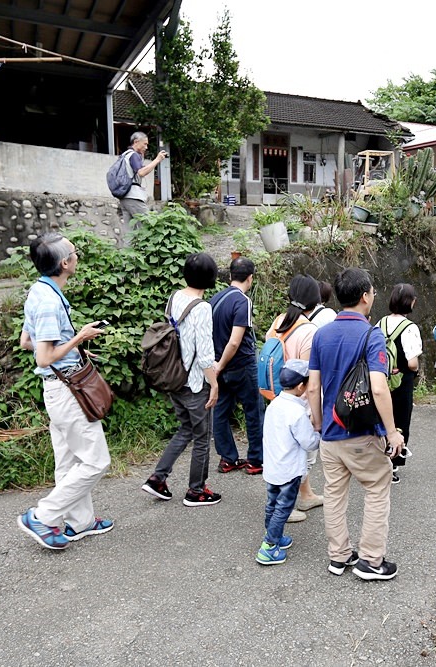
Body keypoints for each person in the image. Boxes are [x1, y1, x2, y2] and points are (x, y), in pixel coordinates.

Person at [17, 233, 112, 550]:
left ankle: (80, 522)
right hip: (66, 391)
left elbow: (27, 342)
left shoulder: (40, 291)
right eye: (75, 252)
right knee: (96, 462)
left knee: (69, 461)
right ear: (65, 263)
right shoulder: (47, 303)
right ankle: (42, 516)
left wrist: (70, 351)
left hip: (58, 388)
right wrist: (79, 339)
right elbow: (43, 356)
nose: (77, 257)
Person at [308, 268, 404, 581]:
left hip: (330, 436)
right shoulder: (371, 335)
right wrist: (392, 432)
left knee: (334, 495)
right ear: (365, 296)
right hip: (362, 434)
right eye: (373, 292)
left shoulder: (321, 334)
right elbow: (378, 387)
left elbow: (313, 387)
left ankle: (339, 557)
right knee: (377, 489)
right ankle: (371, 561)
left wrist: (321, 425)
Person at [141, 253, 222, 507]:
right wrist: (215, 384)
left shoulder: (175, 297)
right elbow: (205, 354)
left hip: (173, 378)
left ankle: (158, 478)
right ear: (210, 278)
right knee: (202, 436)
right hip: (194, 383)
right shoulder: (202, 308)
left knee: (186, 429)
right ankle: (196, 491)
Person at [265, 274, 322, 522]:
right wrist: (316, 413)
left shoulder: (280, 320)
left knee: (283, 451)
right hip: (299, 402)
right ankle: (284, 507)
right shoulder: (309, 330)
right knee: (301, 455)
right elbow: (311, 378)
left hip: (277, 396)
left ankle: (306, 495)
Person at [255, 359, 322, 566]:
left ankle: (275, 535)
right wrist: (319, 435)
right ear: (301, 386)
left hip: (273, 466)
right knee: (284, 508)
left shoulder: (274, 405)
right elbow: (308, 442)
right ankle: (269, 547)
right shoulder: (296, 412)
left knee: (272, 504)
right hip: (289, 470)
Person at [211, 257, 264, 474]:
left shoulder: (214, 299)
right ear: (250, 278)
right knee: (253, 411)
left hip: (219, 368)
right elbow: (235, 340)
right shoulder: (243, 301)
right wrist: (222, 363)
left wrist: (217, 366)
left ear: (230, 275)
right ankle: (255, 460)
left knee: (220, 412)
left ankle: (228, 458)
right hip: (241, 365)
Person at [377, 283, 422, 484]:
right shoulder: (410, 328)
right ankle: (393, 466)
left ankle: (379, 460)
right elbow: (412, 363)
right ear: (410, 302)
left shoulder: (381, 322)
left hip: (381, 379)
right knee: (400, 422)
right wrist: (415, 367)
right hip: (401, 381)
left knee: (383, 419)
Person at [119, 131, 167, 226]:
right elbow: (141, 172)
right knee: (149, 226)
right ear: (136, 142)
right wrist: (157, 160)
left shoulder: (125, 155)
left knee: (130, 234)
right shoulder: (133, 155)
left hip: (124, 197)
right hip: (133, 196)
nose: (146, 147)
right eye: (145, 144)